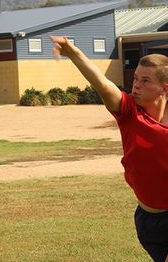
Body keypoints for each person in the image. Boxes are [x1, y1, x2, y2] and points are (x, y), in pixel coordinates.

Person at [50, 36, 168, 262]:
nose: (136, 85)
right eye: (135, 79)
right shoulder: (130, 113)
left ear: (164, 89)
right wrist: (74, 53)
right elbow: (102, 85)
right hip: (148, 220)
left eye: (145, 81)